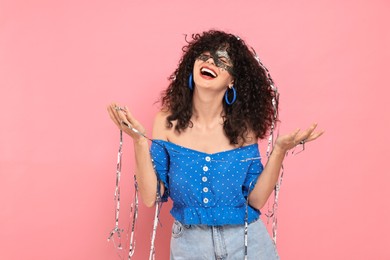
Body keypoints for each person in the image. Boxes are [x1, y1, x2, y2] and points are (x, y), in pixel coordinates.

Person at [107, 30, 323, 259]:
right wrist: (140, 141)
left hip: (248, 243)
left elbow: (256, 199)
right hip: (190, 246)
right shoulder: (166, 122)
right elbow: (151, 196)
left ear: (232, 80)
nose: (210, 61)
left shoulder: (244, 128)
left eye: (222, 61)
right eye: (205, 56)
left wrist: (279, 150)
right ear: (192, 65)